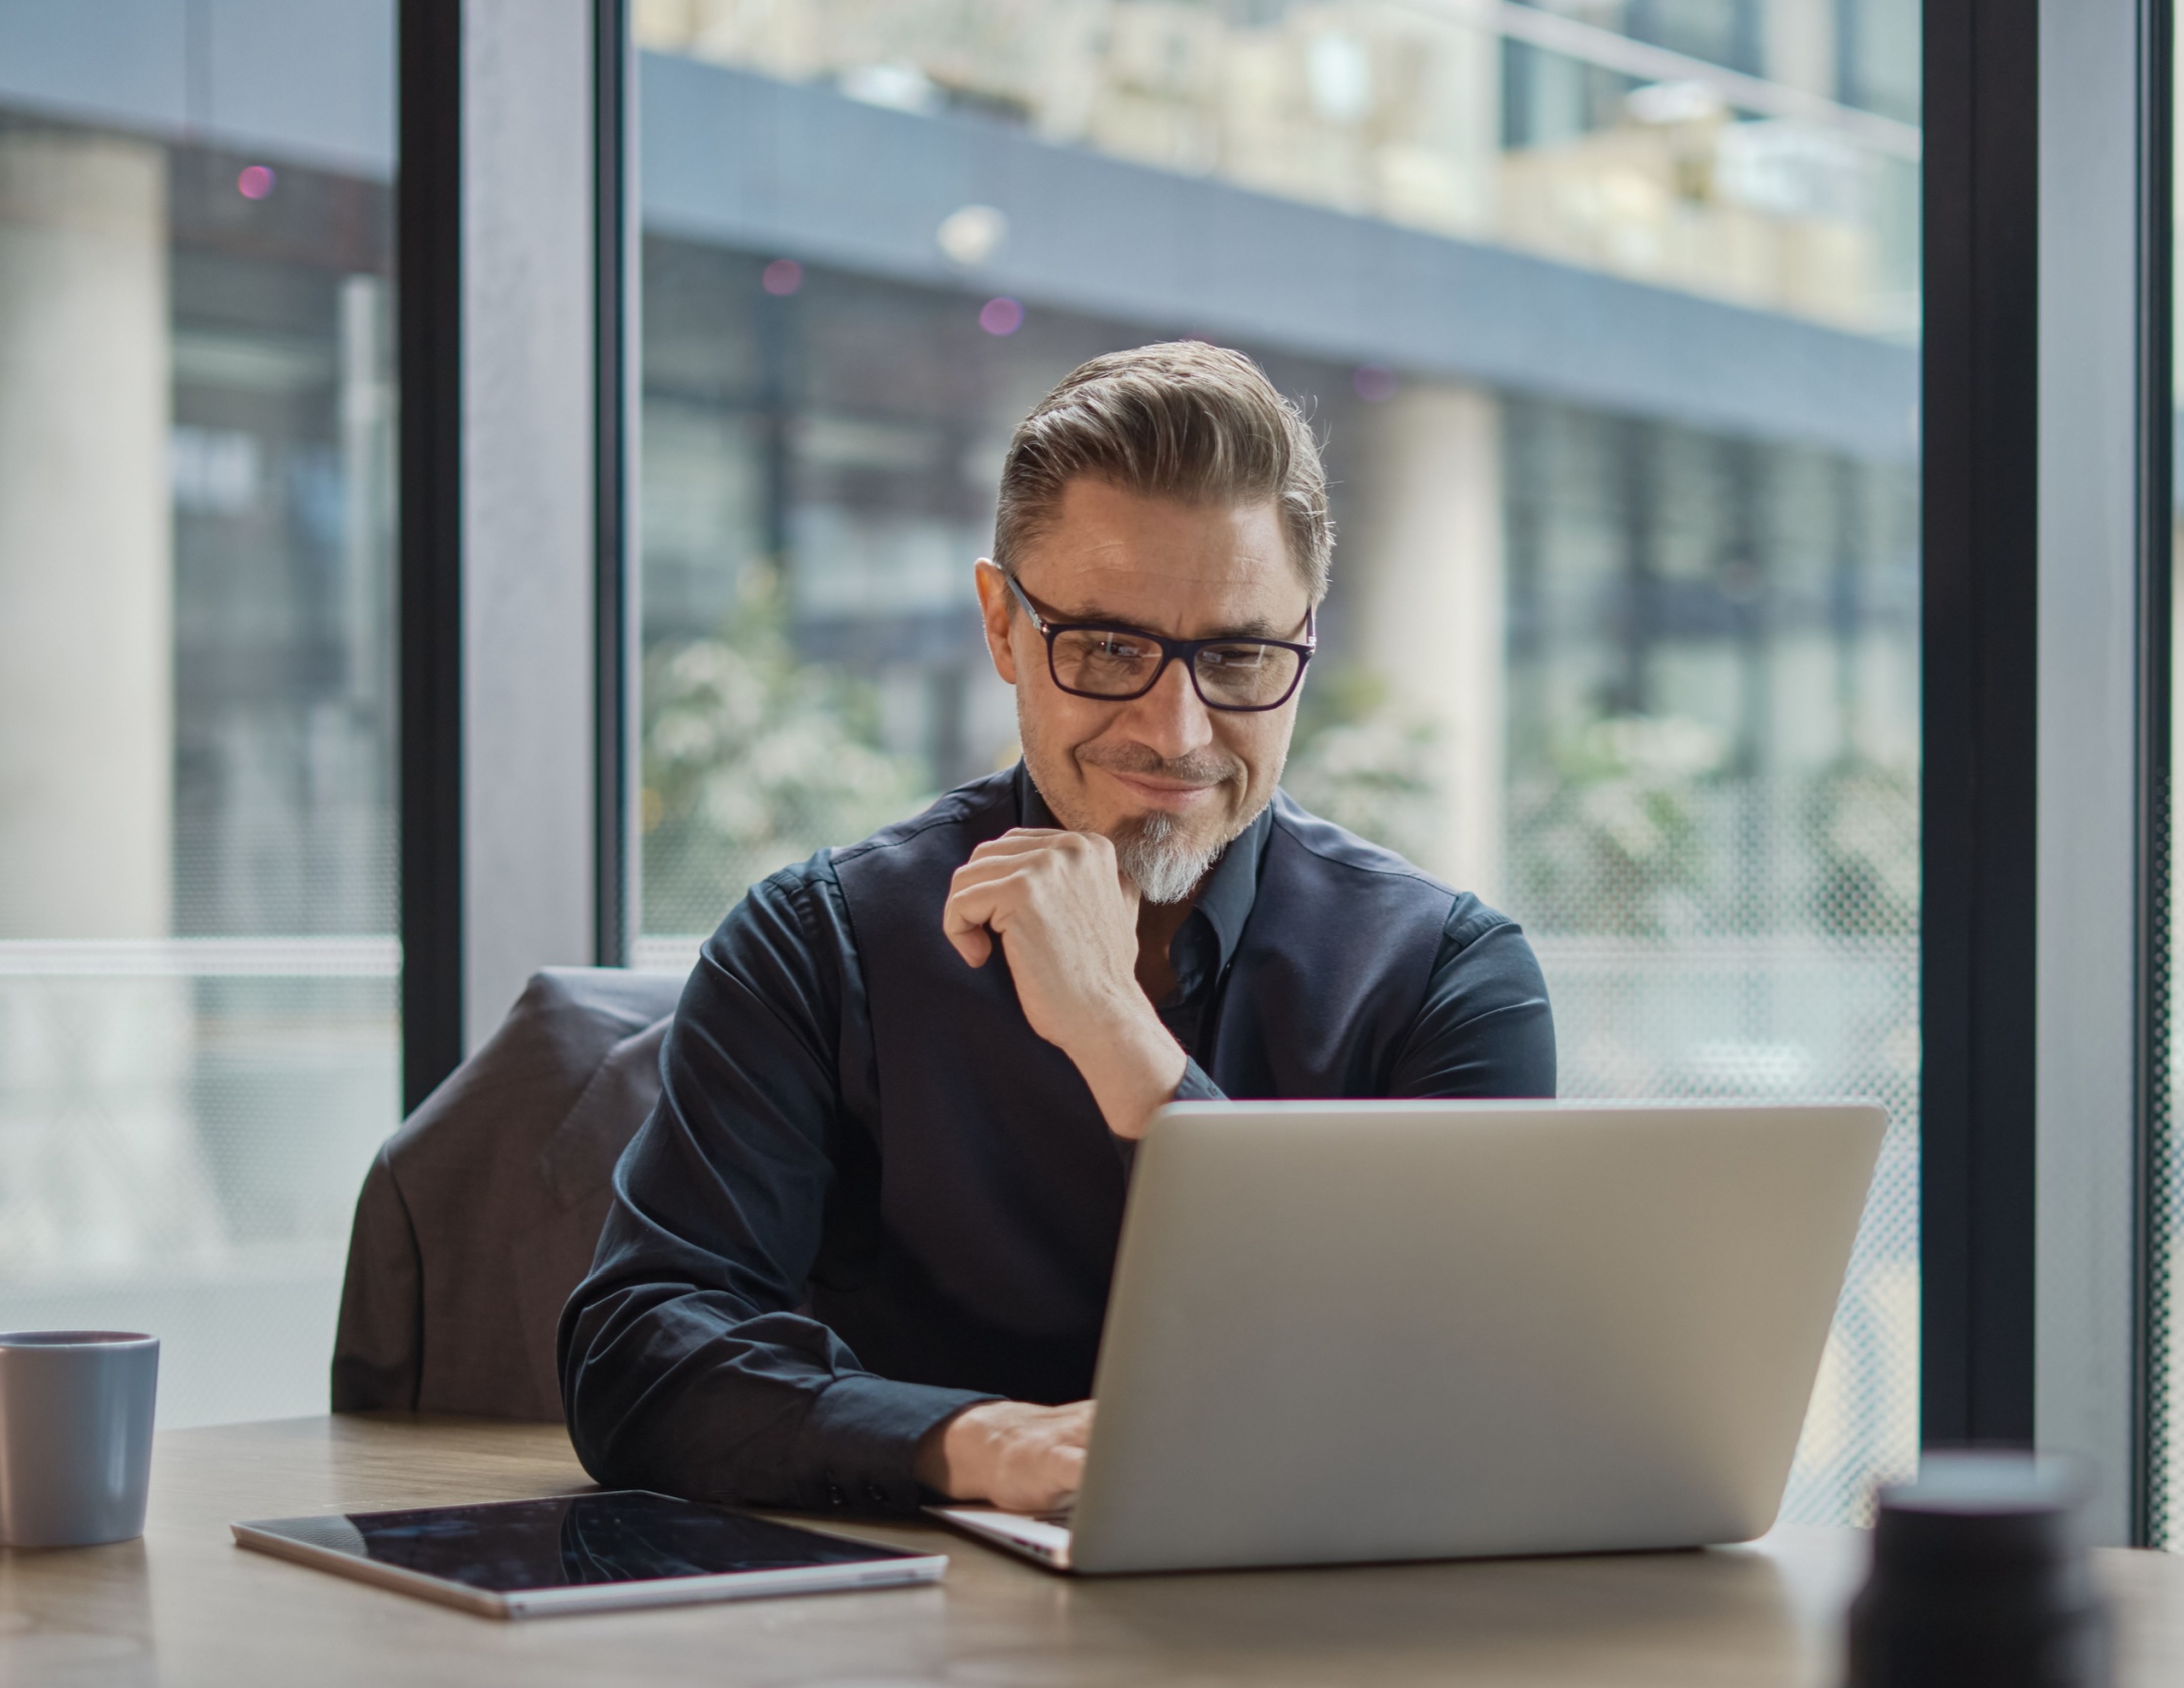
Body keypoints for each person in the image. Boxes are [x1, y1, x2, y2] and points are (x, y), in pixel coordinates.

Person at [559, 342, 1556, 1517]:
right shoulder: (817, 942)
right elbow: (637, 1353)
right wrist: (977, 1445)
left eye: (1238, 655)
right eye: (1108, 648)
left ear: (1304, 643)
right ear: (1002, 627)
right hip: (909, 1620)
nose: (1176, 729)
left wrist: (1119, 1040)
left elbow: (1452, 1390)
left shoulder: (1450, 978)